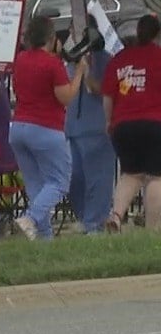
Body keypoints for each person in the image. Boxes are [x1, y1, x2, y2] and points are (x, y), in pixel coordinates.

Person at [10, 15, 87, 240]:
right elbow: (65, 97)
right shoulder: (52, 64)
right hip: (45, 128)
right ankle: (31, 218)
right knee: (59, 181)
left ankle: (44, 238)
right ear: (51, 38)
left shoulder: (21, 59)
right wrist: (79, 72)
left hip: (19, 127)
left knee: (36, 184)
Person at [103, 14, 161, 231]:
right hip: (155, 124)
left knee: (131, 174)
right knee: (156, 177)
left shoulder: (119, 59)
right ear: (157, 34)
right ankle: (153, 230)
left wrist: (109, 121)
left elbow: (107, 96)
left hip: (123, 126)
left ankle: (116, 215)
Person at [64, 38, 115, 234]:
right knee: (75, 179)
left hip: (97, 127)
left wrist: (86, 73)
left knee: (98, 180)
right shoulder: (72, 59)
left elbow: (103, 88)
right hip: (74, 128)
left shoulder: (105, 60)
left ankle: (95, 223)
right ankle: (84, 217)